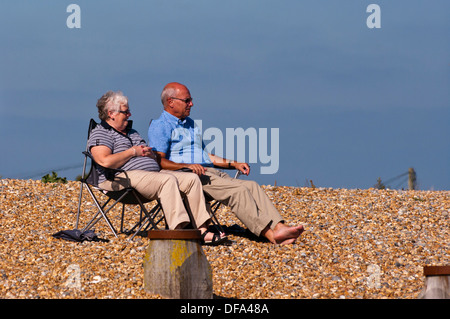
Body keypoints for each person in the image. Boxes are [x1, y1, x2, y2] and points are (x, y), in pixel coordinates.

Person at [148, 82, 304, 245]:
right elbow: (159, 161)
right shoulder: (160, 126)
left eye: (191, 100)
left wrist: (233, 163)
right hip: (189, 177)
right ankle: (271, 235)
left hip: (207, 171)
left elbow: (205, 156)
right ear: (171, 102)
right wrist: (185, 167)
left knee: (252, 186)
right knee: (239, 191)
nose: (191, 104)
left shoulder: (190, 124)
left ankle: (280, 227)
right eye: (187, 100)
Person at [88, 90, 227, 245]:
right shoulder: (101, 133)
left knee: (191, 179)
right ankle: (178, 230)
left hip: (151, 174)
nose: (129, 114)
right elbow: (104, 161)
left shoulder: (131, 132)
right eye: (125, 112)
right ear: (111, 113)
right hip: (119, 178)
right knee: (166, 180)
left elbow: (147, 152)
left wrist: (150, 155)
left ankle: (202, 230)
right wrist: (133, 152)